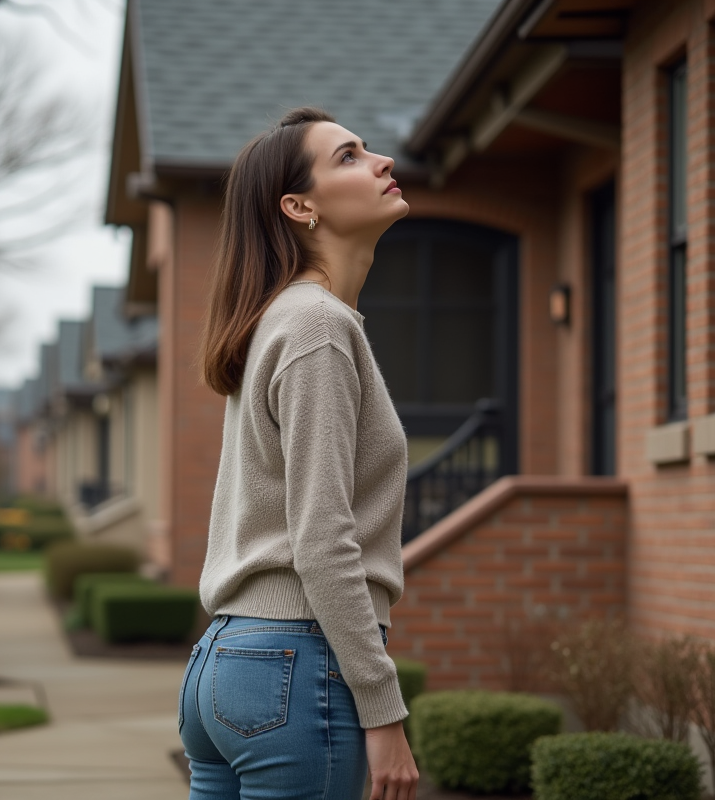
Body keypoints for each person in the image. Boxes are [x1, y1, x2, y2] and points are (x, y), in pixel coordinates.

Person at [177, 106, 420, 800]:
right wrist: (384, 710)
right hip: (295, 664)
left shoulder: (287, 320)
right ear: (299, 206)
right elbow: (321, 539)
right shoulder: (316, 326)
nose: (382, 163)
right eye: (349, 156)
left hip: (224, 666)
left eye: (370, 150)